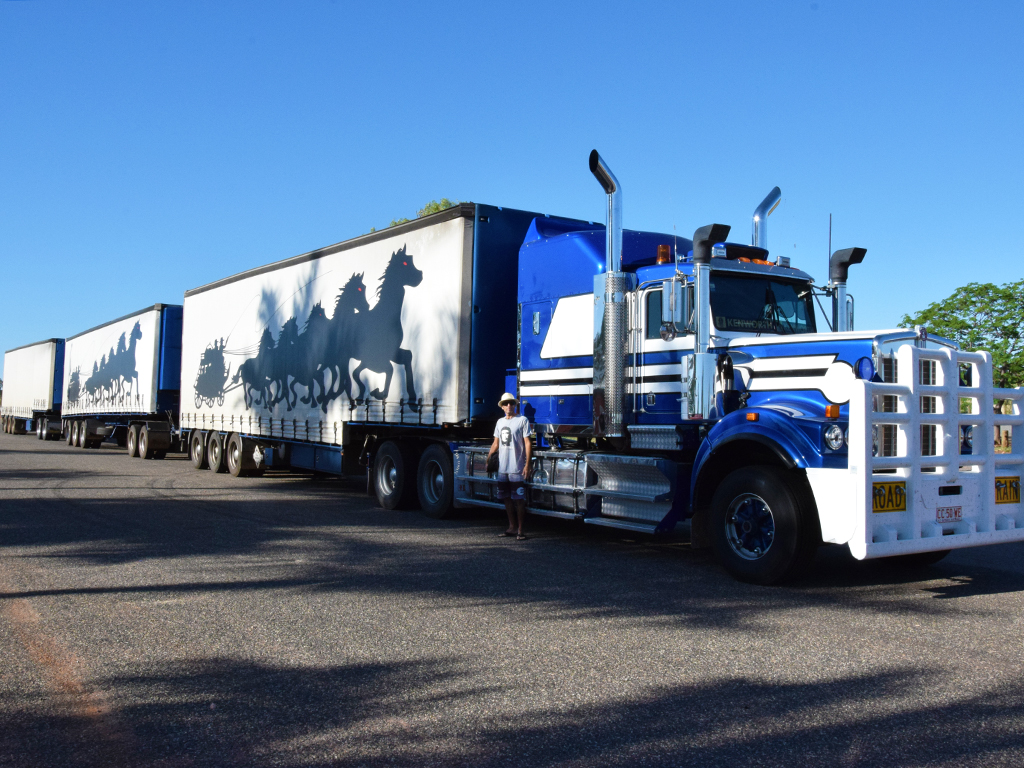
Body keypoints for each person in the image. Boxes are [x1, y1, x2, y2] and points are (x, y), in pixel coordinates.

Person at [487, 392, 532, 540]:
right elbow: (496, 443)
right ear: (502, 407)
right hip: (503, 467)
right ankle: (511, 527)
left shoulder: (522, 420)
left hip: (516, 467)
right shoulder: (500, 422)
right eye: (506, 404)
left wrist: (527, 464)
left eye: (511, 403)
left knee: (518, 499)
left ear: (515, 405)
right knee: (506, 498)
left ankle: (520, 530)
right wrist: (488, 459)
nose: (509, 406)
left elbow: (527, 443)